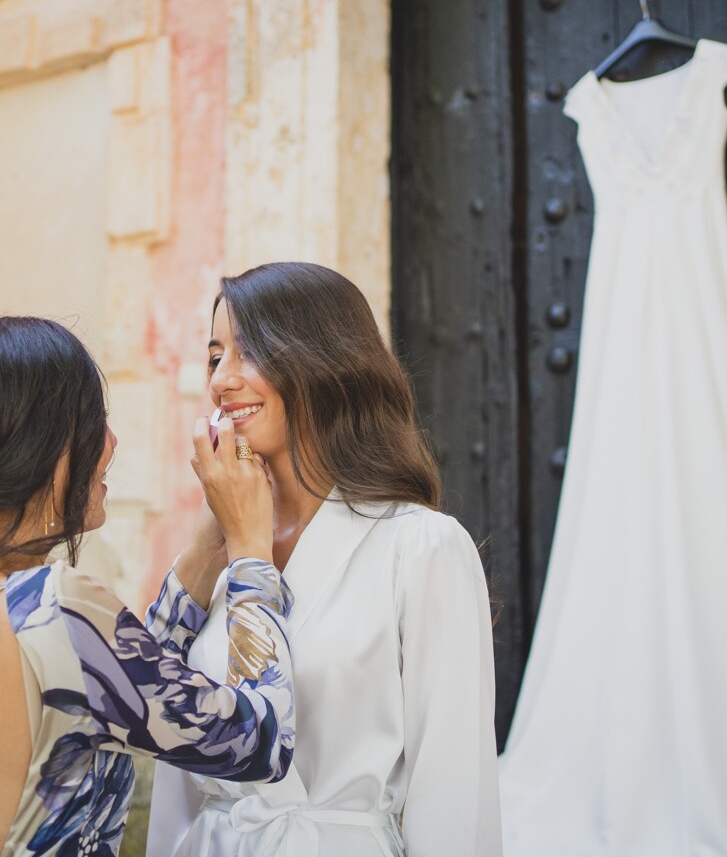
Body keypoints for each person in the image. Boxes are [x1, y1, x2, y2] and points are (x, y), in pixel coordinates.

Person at [0, 315, 294, 857]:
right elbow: (261, 742)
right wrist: (249, 551)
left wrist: (204, 553)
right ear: (34, 449)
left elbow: (126, 685)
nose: (111, 442)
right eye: (92, 421)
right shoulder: (53, 609)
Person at [147, 262, 504, 856]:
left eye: (249, 352)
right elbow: (168, 760)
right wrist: (222, 537)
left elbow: (455, 796)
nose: (221, 381)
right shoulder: (215, 556)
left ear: (322, 362)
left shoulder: (420, 548)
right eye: (214, 358)